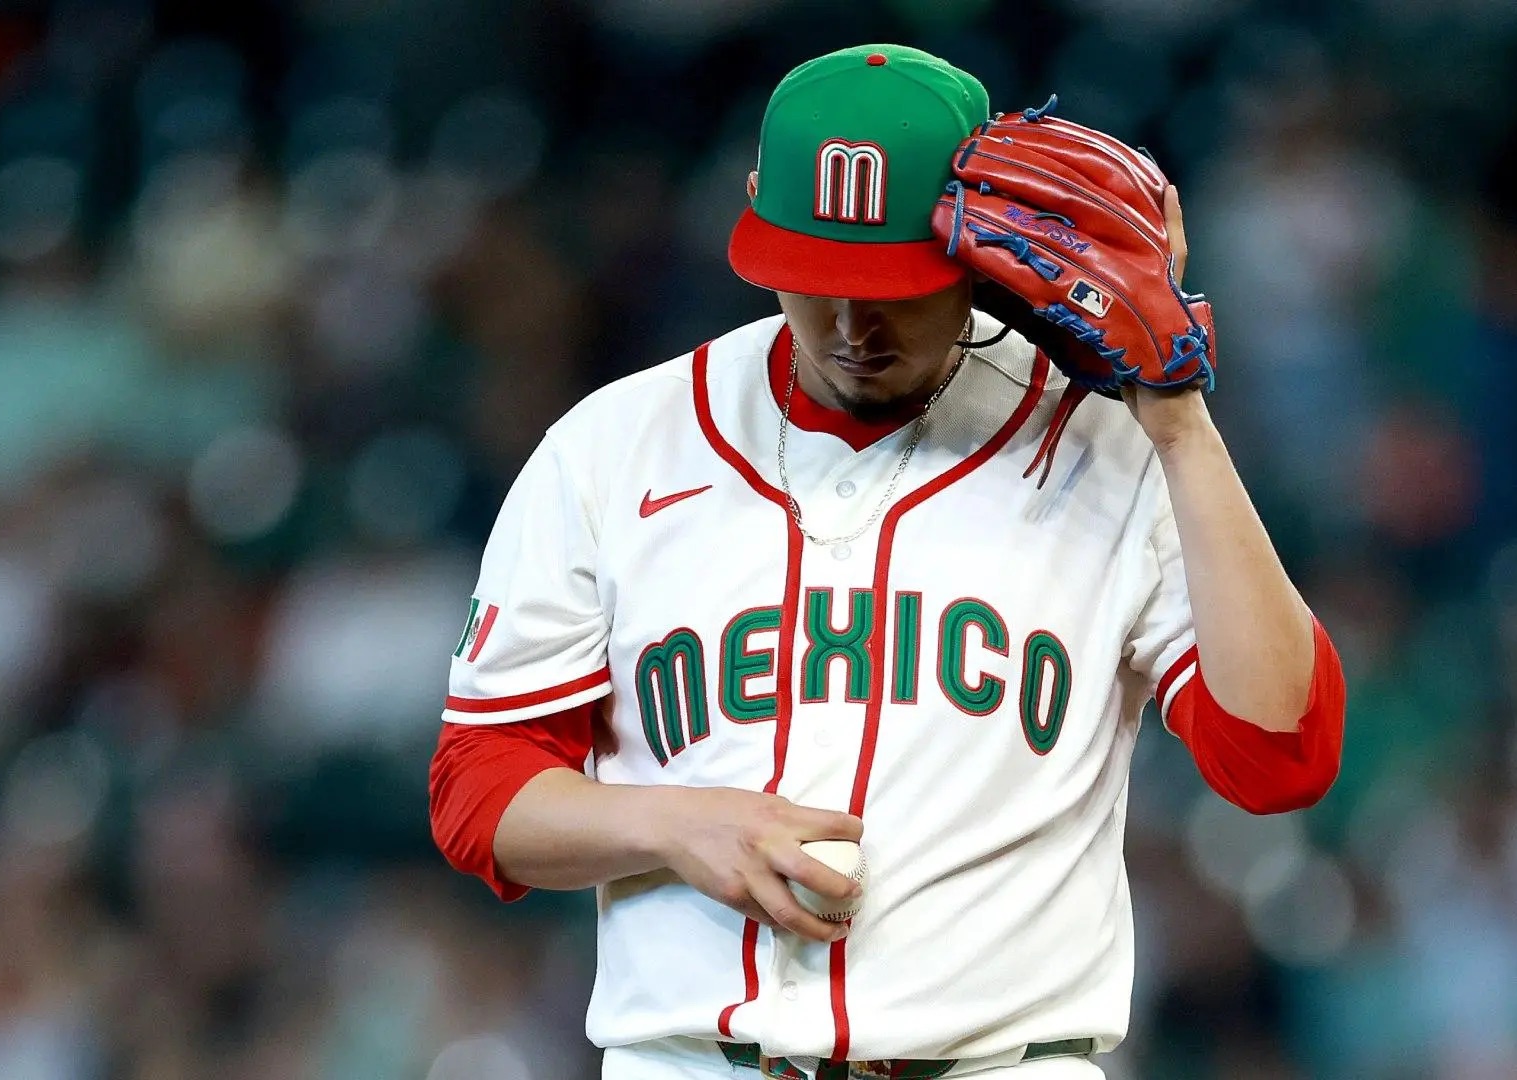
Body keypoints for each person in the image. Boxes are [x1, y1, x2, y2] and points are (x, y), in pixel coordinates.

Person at [428, 43, 1346, 1080]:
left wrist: (1179, 425)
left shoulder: (1109, 446)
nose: (852, 325)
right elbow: (479, 791)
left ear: (980, 244)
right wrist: (668, 824)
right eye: (819, 281)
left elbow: (1279, 760)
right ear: (756, 212)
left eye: (893, 285)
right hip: (692, 1062)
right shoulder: (615, 445)